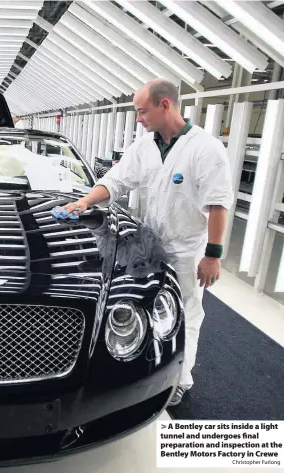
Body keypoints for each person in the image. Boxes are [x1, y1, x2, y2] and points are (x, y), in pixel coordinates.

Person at [58, 78, 234, 406]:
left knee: (187, 313)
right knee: (152, 307)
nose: (138, 118)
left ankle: (180, 380)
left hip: (186, 247)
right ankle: (149, 369)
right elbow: (115, 182)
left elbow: (219, 203)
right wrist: (84, 202)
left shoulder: (205, 149)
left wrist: (213, 255)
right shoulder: (145, 146)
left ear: (164, 105)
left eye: (142, 111)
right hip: (151, 244)